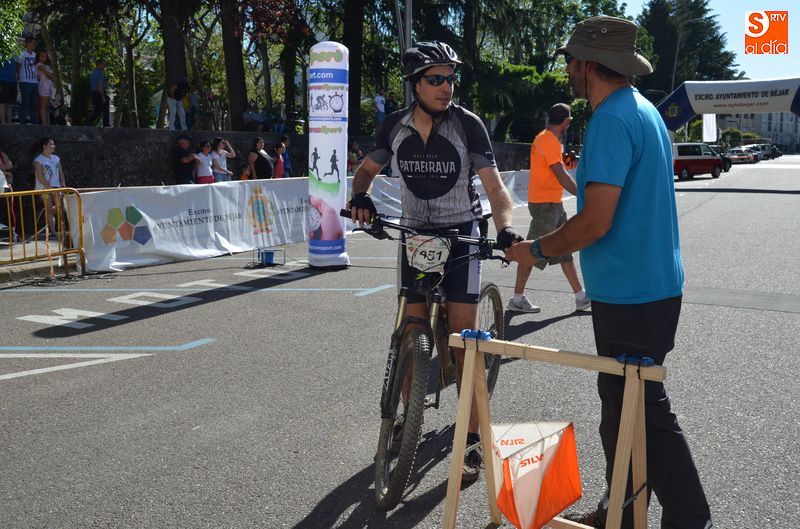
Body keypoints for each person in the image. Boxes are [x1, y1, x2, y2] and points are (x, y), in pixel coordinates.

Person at [504, 16, 712, 529]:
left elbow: (596, 220)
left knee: (642, 413)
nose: (568, 70)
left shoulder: (611, 119)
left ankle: (690, 518)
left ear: (590, 64)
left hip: (630, 293)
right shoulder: (642, 110)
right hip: (651, 286)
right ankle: (622, 508)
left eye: (571, 61)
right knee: (622, 412)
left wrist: (536, 250)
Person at [346, 41, 521, 483]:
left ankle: (474, 437)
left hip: (461, 234)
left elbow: (496, 188)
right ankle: (410, 417)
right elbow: (365, 172)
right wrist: (361, 196)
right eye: (436, 79)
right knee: (412, 329)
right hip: (415, 234)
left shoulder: (468, 125)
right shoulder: (394, 126)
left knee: (464, 341)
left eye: (450, 78)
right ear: (415, 84)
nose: (446, 87)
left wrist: (505, 228)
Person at [507, 103, 590, 313]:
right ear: (566, 122)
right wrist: (583, 195)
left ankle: (581, 297)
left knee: (565, 250)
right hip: (546, 205)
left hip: (552, 203)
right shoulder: (550, 140)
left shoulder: (544, 138)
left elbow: (556, 167)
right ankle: (517, 298)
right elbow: (560, 174)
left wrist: (567, 163)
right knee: (531, 250)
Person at [32, 138, 65, 239]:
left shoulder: (56, 158)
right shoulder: (38, 160)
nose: (53, 146)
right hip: (44, 189)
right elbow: (41, 178)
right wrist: (51, 189)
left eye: (54, 144)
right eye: (51, 144)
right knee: (49, 209)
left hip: (57, 187)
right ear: (44, 146)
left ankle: (62, 230)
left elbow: (60, 173)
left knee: (61, 208)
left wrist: (63, 185)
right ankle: (53, 233)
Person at [16, 37, 39, 125]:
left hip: (35, 82)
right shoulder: (21, 53)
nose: (35, 45)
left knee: (34, 105)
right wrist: (19, 78)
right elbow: (17, 67)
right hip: (25, 81)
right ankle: (23, 123)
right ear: (28, 43)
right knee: (25, 103)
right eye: (34, 43)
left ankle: (34, 124)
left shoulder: (35, 55)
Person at [88, 59, 110, 127]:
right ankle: (106, 125)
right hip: (99, 93)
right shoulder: (99, 73)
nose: (105, 66)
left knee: (97, 111)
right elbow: (100, 85)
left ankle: (87, 123)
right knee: (105, 110)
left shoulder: (93, 73)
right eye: (103, 64)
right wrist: (103, 97)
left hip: (94, 93)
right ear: (99, 65)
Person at [36, 51, 54, 126]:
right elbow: (50, 75)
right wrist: (50, 75)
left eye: (45, 56)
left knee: (47, 108)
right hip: (43, 88)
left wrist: (50, 75)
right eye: (42, 56)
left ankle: (48, 124)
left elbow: (51, 76)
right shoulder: (39, 65)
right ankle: (44, 124)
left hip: (49, 87)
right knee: (43, 107)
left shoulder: (46, 66)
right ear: (39, 57)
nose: (44, 58)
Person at [0, 59, 17, 124]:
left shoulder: (14, 54)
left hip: (13, 81)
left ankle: (9, 123)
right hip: (2, 80)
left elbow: (15, 67)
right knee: (2, 102)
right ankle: (3, 122)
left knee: (10, 103)